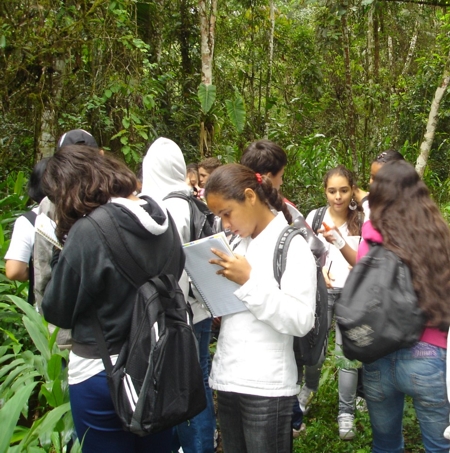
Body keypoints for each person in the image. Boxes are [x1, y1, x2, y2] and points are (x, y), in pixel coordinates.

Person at [41, 146, 184, 453]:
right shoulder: (165, 220)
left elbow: (57, 310)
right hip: (157, 367)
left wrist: (60, 252)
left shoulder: (88, 231)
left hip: (101, 372)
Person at [204, 163, 317, 453]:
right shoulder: (236, 244)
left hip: (267, 386)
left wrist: (249, 281)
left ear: (250, 197)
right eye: (219, 217)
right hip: (229, 378)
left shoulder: (291, 246)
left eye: (227, 213)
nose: (225, 224)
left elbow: (301, 319)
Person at [358, 160, 450, 452]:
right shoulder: (439, 235)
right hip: (429, 352)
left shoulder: (371, 237)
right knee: (439, 446)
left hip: (378, 352)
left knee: (385, 444)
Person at [141, 137, 216, 453]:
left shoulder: (161, 208)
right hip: (198, 309)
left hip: (172, 314)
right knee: (196, 378)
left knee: (181, 385)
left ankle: (194, 446)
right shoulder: (191, 201)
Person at [301, 165, 363, 440]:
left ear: (352, 190)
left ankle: (346, 412)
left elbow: (371, 255)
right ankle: (309, 388)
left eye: (343, 190)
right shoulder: (315, 217)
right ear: (324, 190)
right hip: (322, 292)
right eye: (332, 190)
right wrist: (319, 270)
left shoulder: (361, 219)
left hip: (353, 295)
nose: (337, 197)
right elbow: (303, 252)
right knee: (315, 349)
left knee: (347, 356)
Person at [5, 158, 49, 288]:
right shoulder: (89, 214)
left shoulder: (29, 221)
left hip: (46, 301)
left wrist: (38, 272)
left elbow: (14, 271)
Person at [240, 139, 303, 220]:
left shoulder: (231, 207)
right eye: (281, 176)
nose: (281, 182)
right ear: (268, 177)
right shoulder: (286, 210)